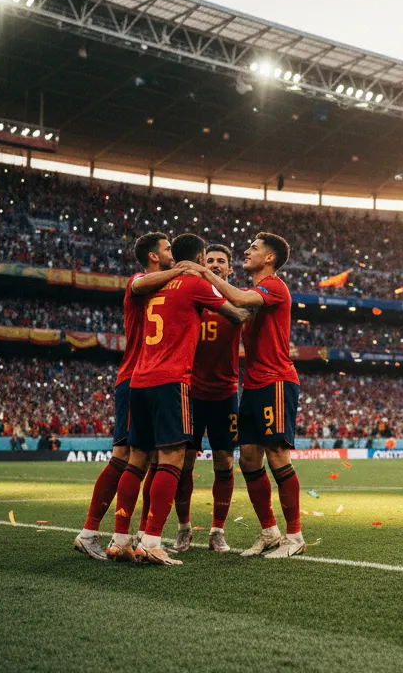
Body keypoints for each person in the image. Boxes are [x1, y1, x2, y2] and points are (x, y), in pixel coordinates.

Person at [74, 232, 199, 560]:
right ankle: (93, 532)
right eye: (168, 249)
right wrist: (184, 270)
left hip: (142, 379)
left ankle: (127, 537)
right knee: (127, 458)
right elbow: (139, 285)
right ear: (153, 256)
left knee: (142, 459)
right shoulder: (140, 281)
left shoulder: (164, 287)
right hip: (136, 377)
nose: (173, 254)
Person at [109, 233, 226, 566]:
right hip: (172, 381)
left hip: (139, 380)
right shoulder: (192, 283)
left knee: (136, 460)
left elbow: (139, 287)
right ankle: (152, 541)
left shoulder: (153, 286)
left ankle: (120, 539)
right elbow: (236, 312)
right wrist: (206, 276)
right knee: (172, 460)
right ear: (200, 258)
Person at [204, 232, 305, 559]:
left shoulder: (273, 286)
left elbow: (238, 298)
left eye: (254, 248)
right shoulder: (253, 292)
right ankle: (269, 531)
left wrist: (204, 271)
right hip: (253, 385)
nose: (247, 251)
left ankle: (295, 536)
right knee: (248, 458)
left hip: (276, 381)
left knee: (277, 456)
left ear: (269, 258)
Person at [174, 243, 251, 554]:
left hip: (225, 394)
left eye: (221, 261)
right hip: (191, 393)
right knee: (184, 463)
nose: (216, 264)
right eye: (210, 260)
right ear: (201, 263)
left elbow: (247, 314)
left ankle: (217, 531)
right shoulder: (193, 296)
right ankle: (184, 529)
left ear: (230, 268)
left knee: (224, 462)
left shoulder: (237, 298)